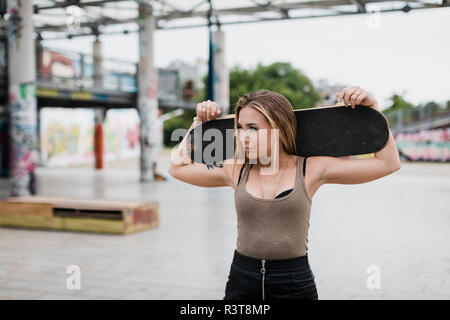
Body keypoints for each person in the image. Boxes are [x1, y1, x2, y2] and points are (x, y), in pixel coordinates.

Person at [168, 86, 402, 300]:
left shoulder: (311, 168)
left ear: (278, 128)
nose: (243, 136)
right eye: (240, 128)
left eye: (253, 128)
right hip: (242, 280)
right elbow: (177, 168)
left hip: (293, 281)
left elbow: (387, 163)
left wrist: (373, 111)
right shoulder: (236, 169)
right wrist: (198, 123)